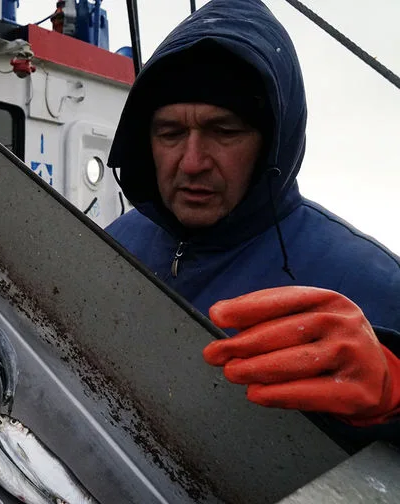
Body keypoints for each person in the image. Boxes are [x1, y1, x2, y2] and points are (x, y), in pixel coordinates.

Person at [104, 0, 400, 447]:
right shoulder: (116, 240)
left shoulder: (372, 281)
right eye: (169, 133)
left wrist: (394, 396)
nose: (192, 162)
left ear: (271, 145)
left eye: (225, 132)